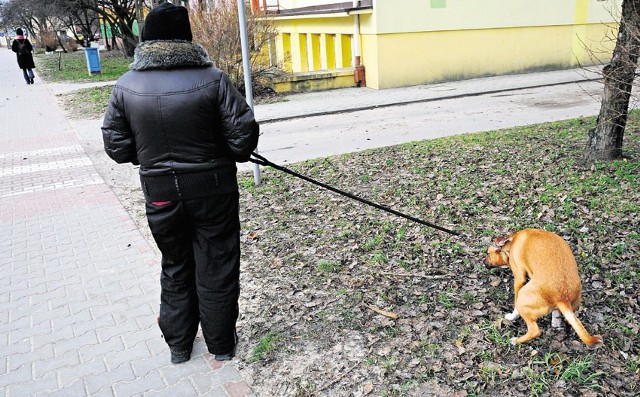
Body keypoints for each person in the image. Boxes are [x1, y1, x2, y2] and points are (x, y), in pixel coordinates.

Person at [101, 2, 259, 364]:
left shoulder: (126, 85)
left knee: (174, 264)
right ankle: (221, 344)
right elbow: (243, 139)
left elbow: (116, 144)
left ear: (146, 40)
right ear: (188, 38)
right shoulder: (214, 78)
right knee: (216, 264)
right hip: (213, 190)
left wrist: (149, 157)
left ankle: (179, 346)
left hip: (160, 195)